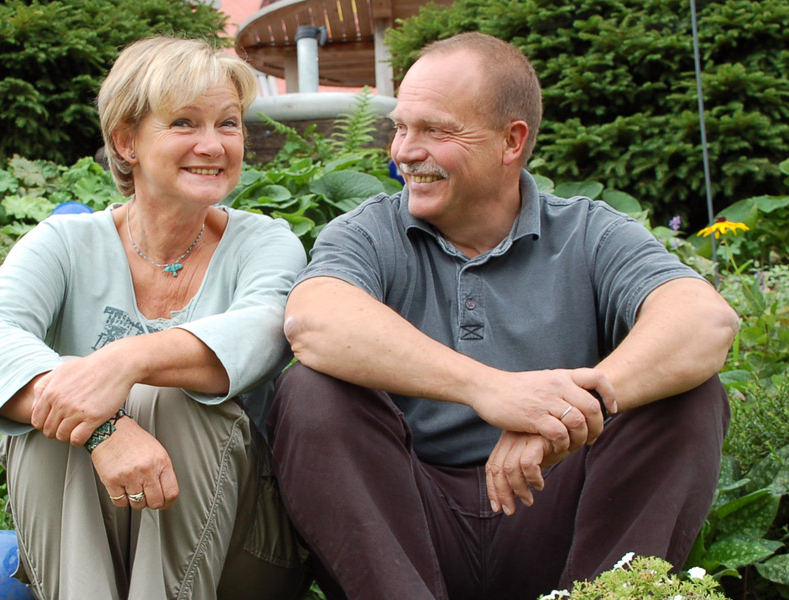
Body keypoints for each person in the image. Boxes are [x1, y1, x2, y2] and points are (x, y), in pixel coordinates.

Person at [268, 32, 738, 600]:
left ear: (511, 142)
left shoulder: (589, 232)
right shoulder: (369, 232)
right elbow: (315, 321)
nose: (403, 151)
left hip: (561, 522)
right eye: (400, 127)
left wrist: (558, 419)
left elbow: (704, 320)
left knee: (689, 396)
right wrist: (491, 390)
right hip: (408, 531)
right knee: (311, 391)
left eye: (435, 130)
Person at [0, 37, 310, 600]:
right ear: (126, 141)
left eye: (229, 124)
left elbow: (263, 334)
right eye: (185, 123)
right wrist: (102, 427)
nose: (213, 145)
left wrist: (124, 361)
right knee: (58, 401)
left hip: (238, 545)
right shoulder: (65, 242)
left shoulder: (265, 244)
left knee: (169, 397)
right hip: (86, 529)